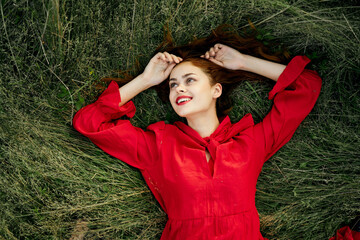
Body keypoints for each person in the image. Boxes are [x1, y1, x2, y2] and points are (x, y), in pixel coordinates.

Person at [73, 25, 322, 239]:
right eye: (173, 85)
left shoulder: (252, 141)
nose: (178, 89)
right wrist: (146, 80)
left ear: (216, 90)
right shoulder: (158, 146)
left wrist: (243, 62)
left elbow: (306, 85)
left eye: (190, 80)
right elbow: (89, 122)